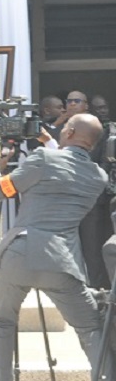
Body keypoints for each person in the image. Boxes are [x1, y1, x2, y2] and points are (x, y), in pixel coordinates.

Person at [0, 113, 111, 381]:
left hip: (19, 255)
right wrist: (54, 141)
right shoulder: (98, 177)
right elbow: (65, 170)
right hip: (61, 263)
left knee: (3, 322)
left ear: (68, 130)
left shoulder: (41, 158)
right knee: (91, 329)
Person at [80, 94, 115, 289]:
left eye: (105, 107)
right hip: (92, 199)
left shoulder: (113, 129)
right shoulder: (85, 133)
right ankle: (96, 290)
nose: (103, 111)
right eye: (98, 108)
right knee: (92, 248)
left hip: (111, 200)